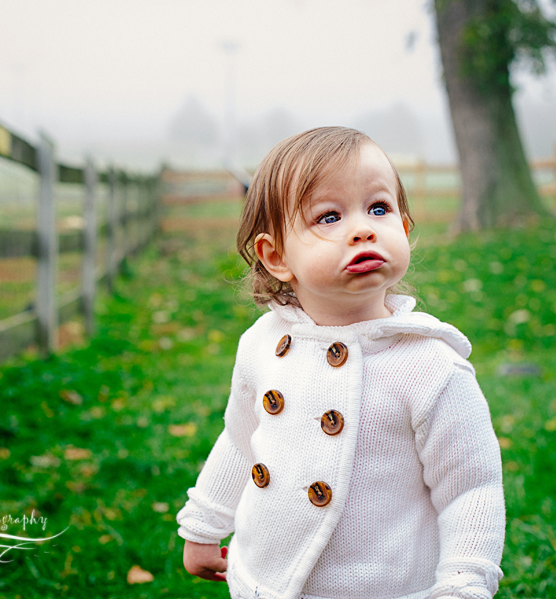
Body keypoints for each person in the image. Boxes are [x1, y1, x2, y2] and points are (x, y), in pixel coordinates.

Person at [177, 127, 505, 599]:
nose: (363, 228)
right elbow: (240, 438)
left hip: (383, 586)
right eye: (328, 216)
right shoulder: (263, 344)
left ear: (405, 229)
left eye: (379, 209)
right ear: (276, 256)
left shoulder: (429, 367)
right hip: (266, 579)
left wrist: (463, 584)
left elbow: (471, 488)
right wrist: (206, 522)